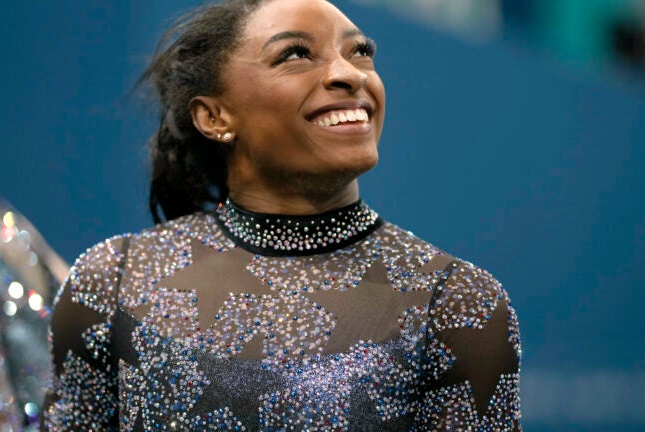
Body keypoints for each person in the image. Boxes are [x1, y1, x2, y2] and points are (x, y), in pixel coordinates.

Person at [42, 0, 522, 430]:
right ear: (215, 117)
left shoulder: (457, 304)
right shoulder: (113, 282)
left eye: (360, 52)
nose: (350, 74)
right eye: (295, 54)